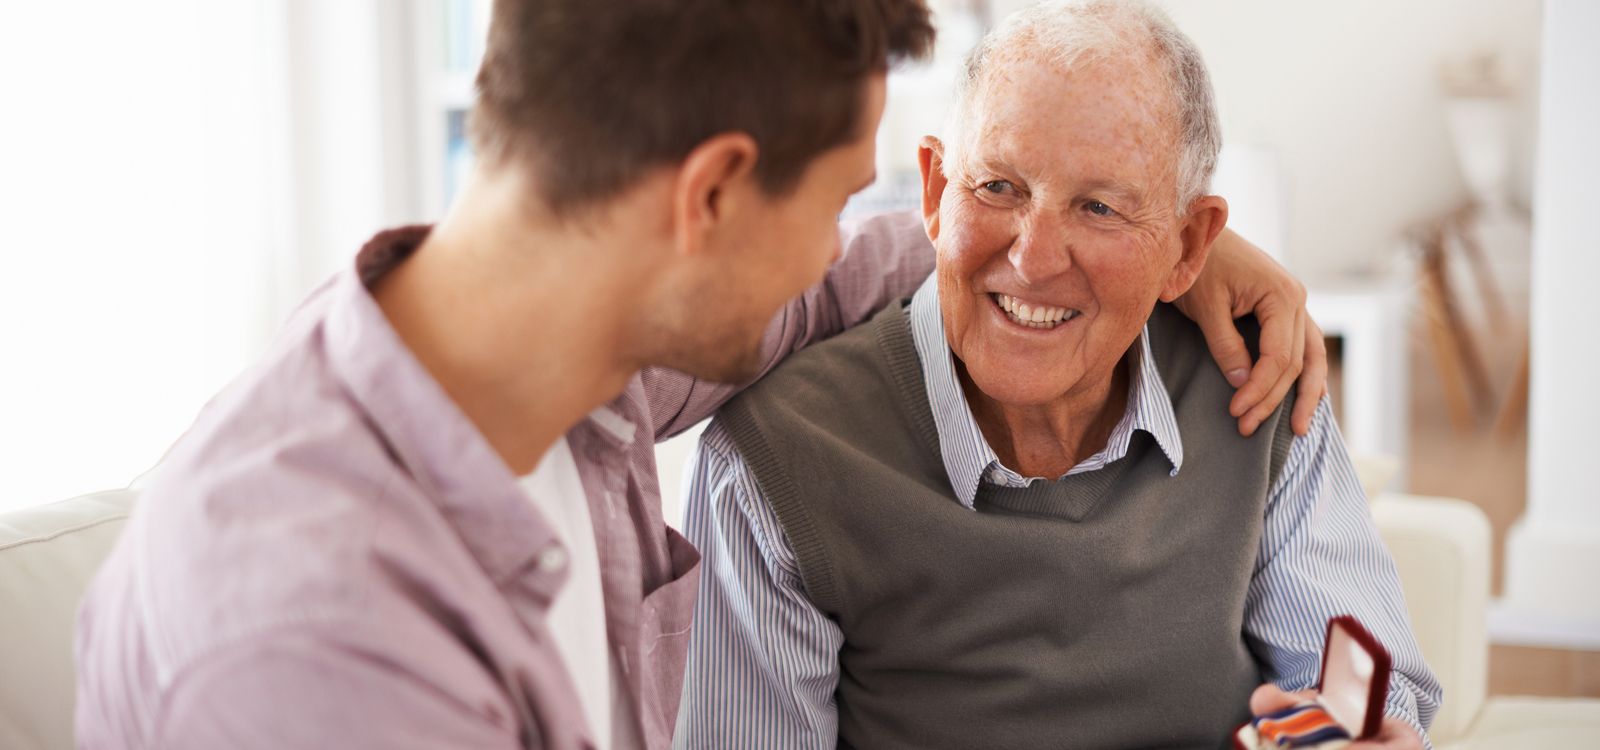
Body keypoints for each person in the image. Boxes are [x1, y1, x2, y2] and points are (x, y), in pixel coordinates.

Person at [75, 1, 1325, 748]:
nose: (847, 242)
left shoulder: (581, 377)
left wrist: (1159, 257)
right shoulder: (318, 642)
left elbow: (891, 269)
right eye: (840, 197)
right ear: (712, 194)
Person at [676, 2, 1440, 749]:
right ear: (937, 192)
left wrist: (1356, 738)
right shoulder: (771, 464)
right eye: (1000, 187)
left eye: (1099, 208)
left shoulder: (1255, 380)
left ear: (1190, 245)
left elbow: (1365, 686)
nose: (1034, 259)